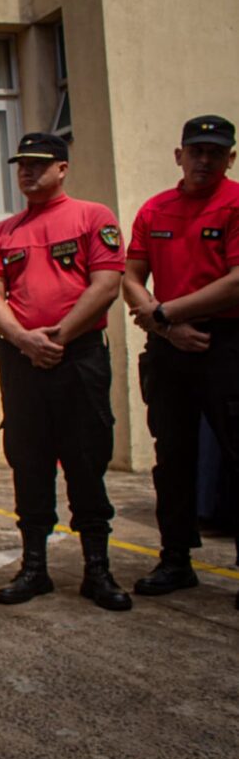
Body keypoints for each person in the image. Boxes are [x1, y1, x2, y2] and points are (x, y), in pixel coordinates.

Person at [0, 132, 132, 612]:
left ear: (62, 168)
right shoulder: (4, 231)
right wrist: (24, 340)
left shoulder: (93, 217)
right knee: (28, 460)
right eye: (22, 163)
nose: (27, 171)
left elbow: (106, 285)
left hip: (77, 356)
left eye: (38, 164)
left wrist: (57, 337)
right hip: (23, 361)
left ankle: (98, 571)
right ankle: (34, 568)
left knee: (86, 457)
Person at [122, 114, 239, 610]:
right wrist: (167, 327)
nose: (204, 160)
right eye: (196, 151)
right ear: (179, 155)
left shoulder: (235, 204)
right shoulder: (155, 210)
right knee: (171, 456)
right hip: (170, 345)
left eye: (215, 152)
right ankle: (175, 560)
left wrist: (166, 312)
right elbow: (130, 275)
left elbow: (236, 282)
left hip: (227, 342)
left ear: (230, 158)